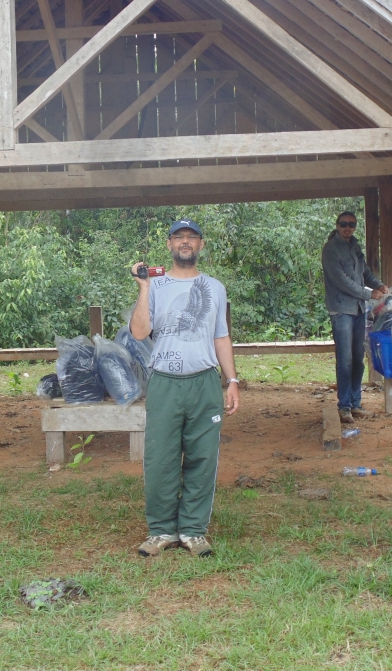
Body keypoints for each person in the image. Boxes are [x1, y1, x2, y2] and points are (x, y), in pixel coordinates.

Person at [129, 219, 240, 558]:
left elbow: (220, 336)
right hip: (164, 381)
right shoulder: (155, 285)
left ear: (201, 246)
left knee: (202, 457)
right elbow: (138, 332)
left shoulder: (215, 288)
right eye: (179, 237)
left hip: (204, 381)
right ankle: (161, 530)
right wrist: (144, 288)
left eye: (192, 237)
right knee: (160, 457)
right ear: (170, 245)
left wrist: (231, 380)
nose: (186, 242)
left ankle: (192, 531)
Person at [321, 210, 388, 424]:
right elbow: (342, 281)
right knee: (345, 359)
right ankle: (344, 406)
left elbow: (364, 272)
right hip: (341, 309)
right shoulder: (331, 250)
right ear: (337, 225)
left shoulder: (354, 245)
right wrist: (369, 294)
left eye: (351, 224)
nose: (347, 228)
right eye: (343, 224)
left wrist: (377, 284)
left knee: (358, 358)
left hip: (358, 309)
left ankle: (356, 403)